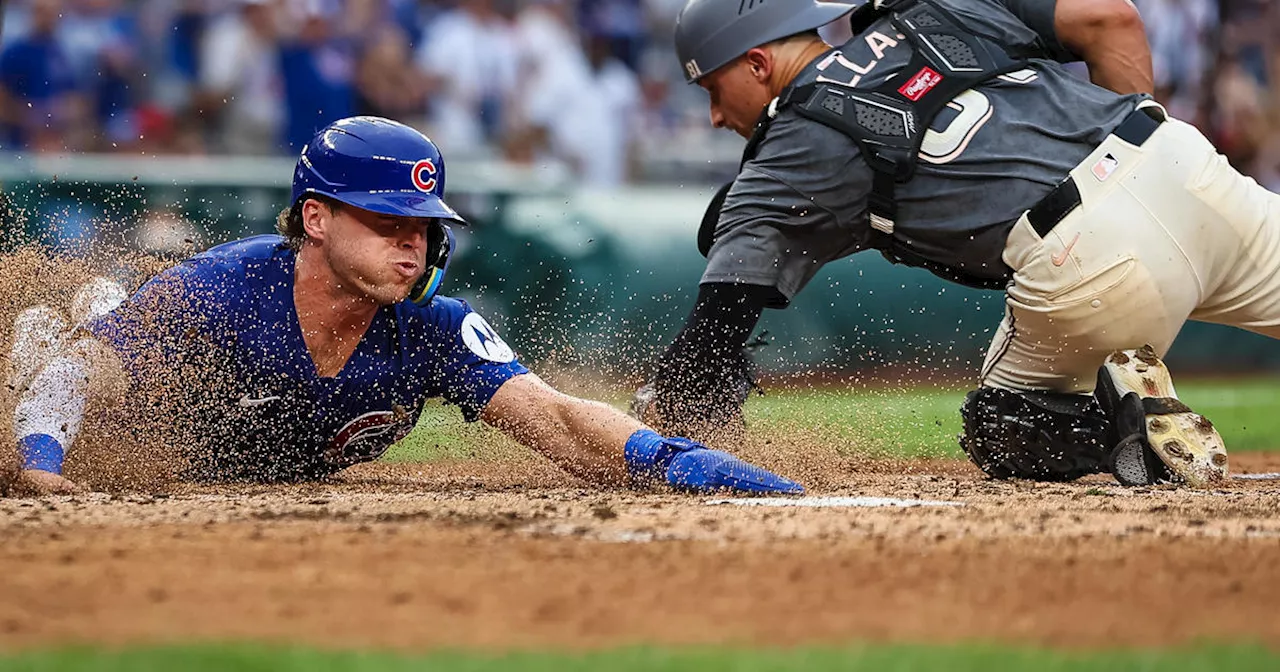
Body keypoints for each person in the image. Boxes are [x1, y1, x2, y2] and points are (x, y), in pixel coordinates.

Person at [635, 0, 1280, 488]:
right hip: (1180, 161)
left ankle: (1128, 423)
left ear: (757, 63)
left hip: (1089, 257)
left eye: (712, 90)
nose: (716, 116)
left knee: (1003, 430)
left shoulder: (791, 150)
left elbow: (714, 336)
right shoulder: (932, 8)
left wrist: (667, 413)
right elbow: (1111, 18)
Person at [3, 116, 804, 497]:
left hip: (261, 473)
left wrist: (673, 460)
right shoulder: (219, 290)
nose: (412, 246)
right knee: (58, 361)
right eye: (386, 223)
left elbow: (556, 418)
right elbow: (84, 373)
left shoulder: (432, 325)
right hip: (116, 423)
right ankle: (58, 327)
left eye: (422, 228)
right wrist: (40, 467)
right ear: (315, 217)